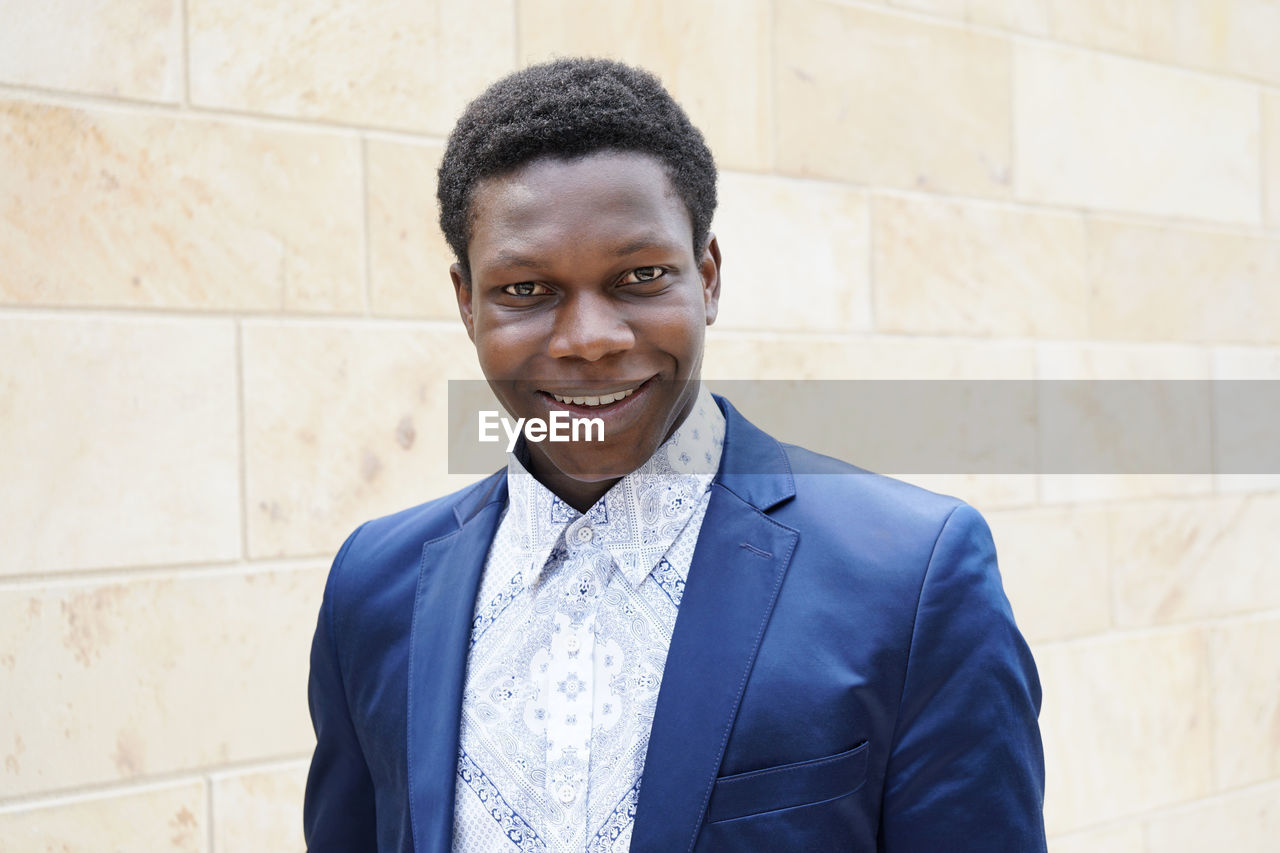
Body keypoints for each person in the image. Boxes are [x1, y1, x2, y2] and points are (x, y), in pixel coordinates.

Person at [303, 57, 1046, 852]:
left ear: (709, 276)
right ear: (466, 301)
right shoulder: (374, 587)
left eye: (640, 276)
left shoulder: (913, 577)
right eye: (526, 290)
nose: (589, 340)